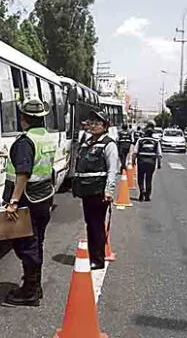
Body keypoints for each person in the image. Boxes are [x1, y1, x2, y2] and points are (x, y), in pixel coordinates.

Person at [3, 98, 57, 306]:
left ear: (23, 119)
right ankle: (35, 285)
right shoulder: (46, 137)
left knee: (25, 244)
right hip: (44, 196)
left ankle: (30, 291)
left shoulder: (25, 141)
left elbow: (23, 173)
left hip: (27, 200)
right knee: (37, 241)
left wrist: (13, 202)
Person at [72, 110, 119, 270]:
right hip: (86, 191)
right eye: (91, 123)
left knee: (96, 224)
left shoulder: (109, 144)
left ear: (105, 126)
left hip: (99, 191)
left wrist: (109, 190)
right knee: (89, 224)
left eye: (97, 123)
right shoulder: (86, 142)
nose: (92, 126)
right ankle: (93, 255)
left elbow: (113, 169)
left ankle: (98, 260)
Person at [132, 122, 162, 201]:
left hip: (141, 162)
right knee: (149, 179)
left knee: (140, 178)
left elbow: (135, 152)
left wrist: (133, 161)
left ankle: (142, 191)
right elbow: (159, 154)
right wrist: (159, 164)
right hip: (151, 163)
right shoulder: (156, 141)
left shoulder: (140, 140)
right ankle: (147, 196)